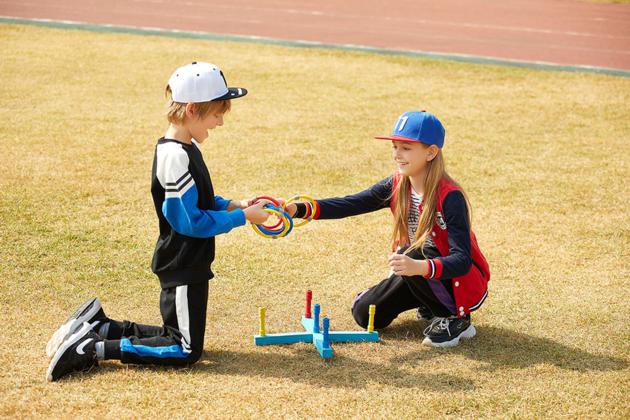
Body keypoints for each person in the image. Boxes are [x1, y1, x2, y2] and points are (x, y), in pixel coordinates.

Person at [46, 61, 270, 381]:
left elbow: (202, 203)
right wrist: (241, 217)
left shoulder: (183, 147)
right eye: (217, 114)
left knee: (177, 336)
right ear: (192, 109)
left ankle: (101, 325)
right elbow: (188, 221)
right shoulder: (176, 156)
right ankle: (91, 348)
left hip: (188, 261)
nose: (220, 122)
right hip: (182, 262)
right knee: (185, 349)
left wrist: (237, 204)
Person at [285, 111, 490, 347]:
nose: (397, 155)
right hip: (416, 268)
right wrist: (299, 210)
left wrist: (417, 266)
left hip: (459, 284)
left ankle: (456, 319)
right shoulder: (396, 184)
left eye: (406, 148)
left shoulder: (450, 196)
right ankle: (428, 301)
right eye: (394, 147)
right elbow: (352, 203)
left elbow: (462, 260)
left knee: (412, 252)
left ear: (431, 152)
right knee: (365, 313)